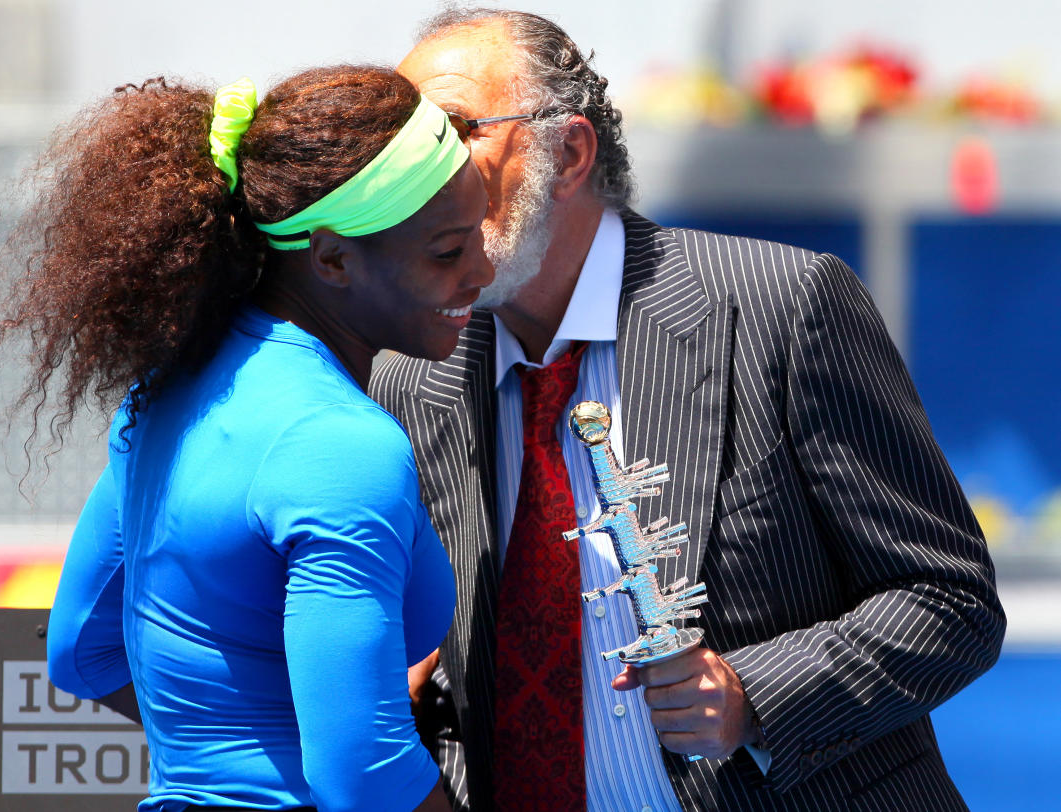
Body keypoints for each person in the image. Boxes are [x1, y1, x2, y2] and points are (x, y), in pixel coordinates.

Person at [370, 9, 1006, 812]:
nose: (418, 171)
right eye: (403, 143)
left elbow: (949, 601)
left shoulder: (779, 306)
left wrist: (752, 697)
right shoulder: (410, 375)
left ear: (567, 153)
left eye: (452, 130)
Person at [0, 65, 495, 811]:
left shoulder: (167, 391)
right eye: (447, 252)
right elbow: (364, 775)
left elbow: (79, 652)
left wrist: (232, 749)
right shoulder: (340, 442)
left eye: (479, 233)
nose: (481, 269)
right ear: (330, 259)